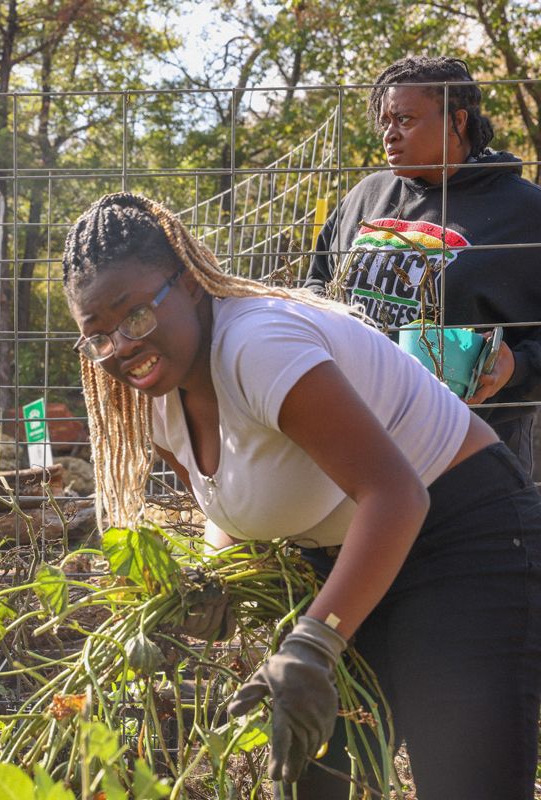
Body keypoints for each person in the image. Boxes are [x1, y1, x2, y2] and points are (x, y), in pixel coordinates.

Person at [63, 192, 541, 799]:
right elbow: (226, 507)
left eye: (133, 316)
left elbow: (396, 496)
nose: (121, 347)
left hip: (461, 535)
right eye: (97, 336)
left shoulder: (258, 346)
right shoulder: (152, 394)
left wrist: (317, 640)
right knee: (314, 776)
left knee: (464, 781)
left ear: (186, 284)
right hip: (346, 552)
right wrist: (218, 573)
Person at [306, 55, 541, 474]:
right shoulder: (366, 195)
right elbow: (317, 282)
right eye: (385, 122)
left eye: (405, 120)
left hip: (473, 455)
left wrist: (514, 366)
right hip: (360, 439)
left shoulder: (524, 212)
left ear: (457, 121)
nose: (389, 135)